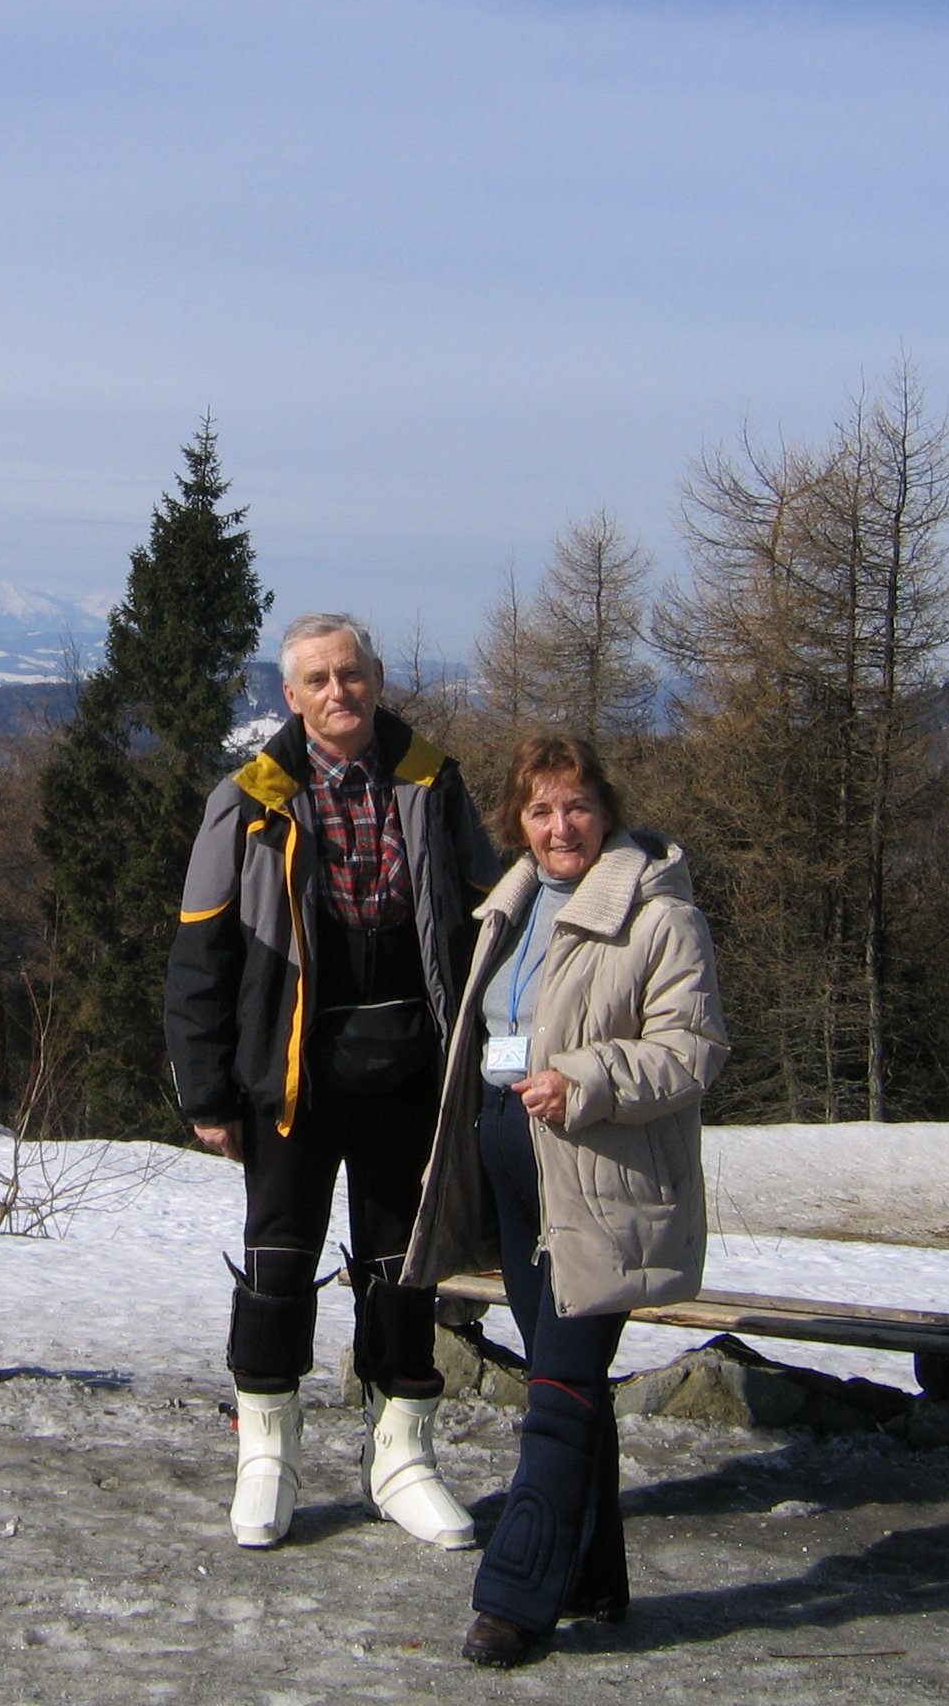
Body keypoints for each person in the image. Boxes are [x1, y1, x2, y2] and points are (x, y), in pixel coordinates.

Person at [165, 612, 502, 1551]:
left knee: (401, 1263)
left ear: (378, 678)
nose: (337, 693)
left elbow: (488, 911)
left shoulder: (433, 782)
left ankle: (403, 1457)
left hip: (410, 1071)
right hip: (292, 1076)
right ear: (291, 696)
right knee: (277, 1261)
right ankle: (266, 1454)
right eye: (316, 680)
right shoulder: (250, 797)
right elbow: (201, 950)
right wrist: (206, 1090)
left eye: (349, 675)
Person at [406, 731, 728, 1669]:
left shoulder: (661, 919)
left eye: (577, 806)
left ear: (607, 811)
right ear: (520, 821)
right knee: (566, 1380)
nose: (560, 827)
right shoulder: (507, 909)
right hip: (515, 1174)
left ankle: (515, 1600)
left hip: (602, 1186)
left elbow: (691, 1050)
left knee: (557, 1389)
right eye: (541, 810)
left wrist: (585, 1077)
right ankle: (591, 1576)